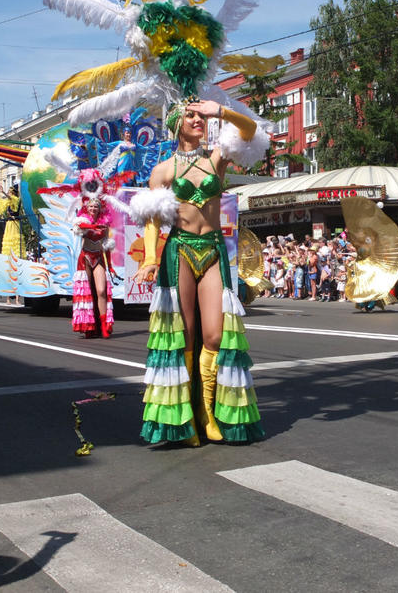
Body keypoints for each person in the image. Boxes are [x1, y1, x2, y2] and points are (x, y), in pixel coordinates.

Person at [132, 98, 265, 446]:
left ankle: (208, 413)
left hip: (213, 251)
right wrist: (149, 258)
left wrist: (219, 111)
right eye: (190, 116)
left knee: (215, 337)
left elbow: (249, 130)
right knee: (185, 336)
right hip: (180, 250)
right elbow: (152, 221)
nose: (198, 120)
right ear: (176, 123)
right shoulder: (163, 171)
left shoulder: (216, 158)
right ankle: (188, 419)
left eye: (200, 116)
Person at [72, 193, 117, 339]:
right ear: (87, 207)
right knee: (87, 293)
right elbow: (79, 226)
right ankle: (89, 327)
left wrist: (110, 266)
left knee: (101, 290)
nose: (93, 208)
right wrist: (93, 226)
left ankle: (104, 326)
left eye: (95, 206)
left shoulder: (105, 222)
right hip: (85, 258)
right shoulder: (83, 219)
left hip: (98, 257)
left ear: (99, 208)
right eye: (90, 206)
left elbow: (106, 245)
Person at [0, 182, 23, 305]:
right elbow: (2, 201)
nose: (9, 194)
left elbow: (11, 199)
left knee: (15, 241)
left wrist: (4, 192)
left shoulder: (16, 199)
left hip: (14, 223)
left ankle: (16, 299)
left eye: (11, 192)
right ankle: (8, 299)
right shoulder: (10, 201)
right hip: (9, 224)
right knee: (7, 242)